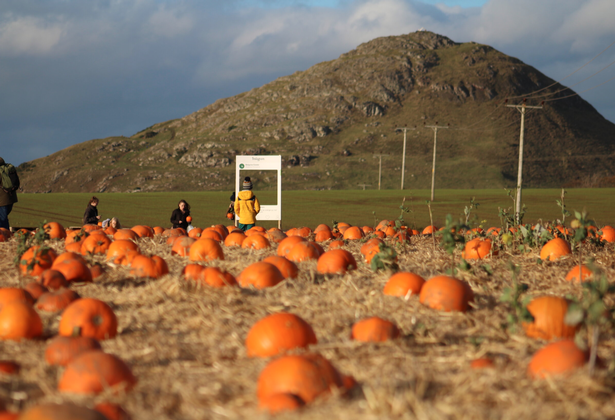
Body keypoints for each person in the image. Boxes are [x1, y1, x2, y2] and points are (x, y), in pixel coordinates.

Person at [0, 157, 18, 230]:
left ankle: (5, 237)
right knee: (3, 219)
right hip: (10, 198)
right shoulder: (7, 169)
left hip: (2, 201)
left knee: (2, 221)